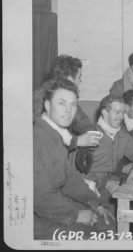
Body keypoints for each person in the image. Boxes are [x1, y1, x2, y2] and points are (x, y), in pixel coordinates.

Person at [34, 78, 115, 240]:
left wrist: (95, 203)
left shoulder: (57, 136)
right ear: (47, 106)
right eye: (61, 103)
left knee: (107, 220)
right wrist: (75, 214)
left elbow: (71, 179)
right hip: (34, 218)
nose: (68, 110)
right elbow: (41, 197)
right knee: (97, 234)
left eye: (73, 105)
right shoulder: (39, 138)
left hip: (52, 206)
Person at [33, 55, 100, 174]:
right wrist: (76, 141)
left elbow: (82, 122)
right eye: (79, 77)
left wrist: (89, 137)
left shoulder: (66, 95)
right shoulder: (39, 98)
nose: (80, 81)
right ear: (69, 78)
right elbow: (42, 139)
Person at [84, 94, 133, 203]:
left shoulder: (121, 135)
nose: (121, 117)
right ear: (104, 112)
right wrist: (107, 182)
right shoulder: (89, 137)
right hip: (88, 194)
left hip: (110, 190)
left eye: (123, 113)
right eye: (117, 112)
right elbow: (79, 176)